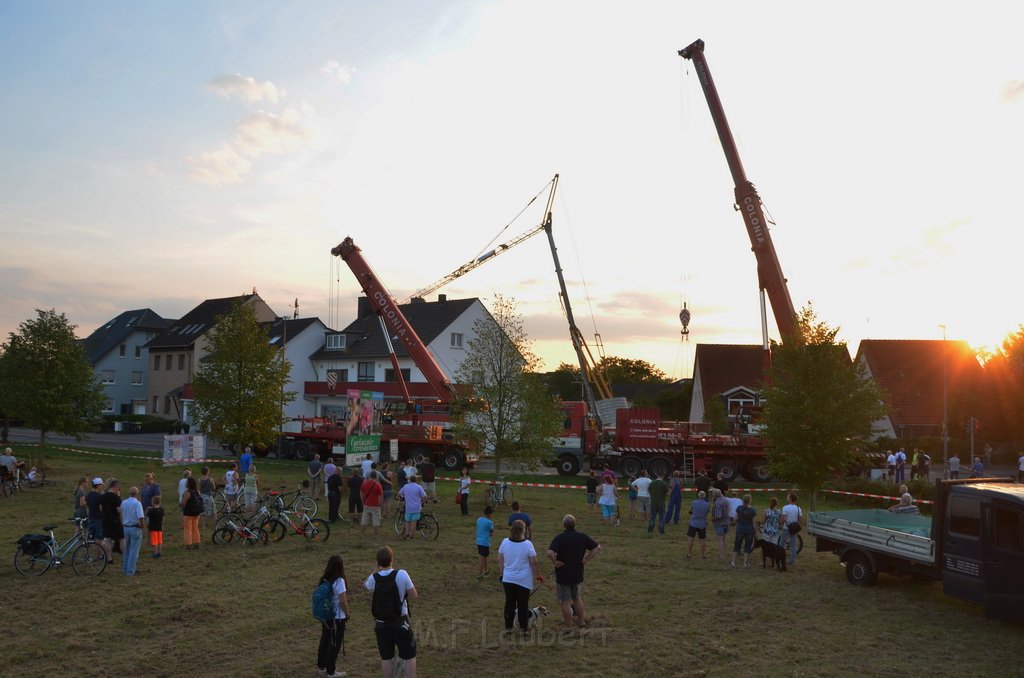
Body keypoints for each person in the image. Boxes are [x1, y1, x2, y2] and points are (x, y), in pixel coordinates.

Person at [365, 545, 419, 678]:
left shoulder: (375, 578)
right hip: (400, 622)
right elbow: (413, 594)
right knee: (409, 654)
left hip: (381, 624)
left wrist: (375, 570)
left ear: (378, 562)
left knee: (386, 657)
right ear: (391, 559)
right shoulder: (401, 574)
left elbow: (366, 586)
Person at [546, 514, 601, 629]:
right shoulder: (582, 537)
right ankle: (582, 623)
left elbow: (549, 553)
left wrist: (555, 562)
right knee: (577, 599)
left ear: (564, 525)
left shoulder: (560, 537)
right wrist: (586, 559)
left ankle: (569, 627)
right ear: (575, 524)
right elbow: (597, 548)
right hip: (577, 573)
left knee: (565, 601)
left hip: (563, 575)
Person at [499, 519, 541, 636]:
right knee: (523, 605)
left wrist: (502, 573)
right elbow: (533, 562)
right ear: (524, 531)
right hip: (523, 580)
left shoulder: (505, 542)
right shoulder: (528, 544)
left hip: (508, 579)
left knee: (509, 603)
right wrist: (537, 575)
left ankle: (508, 628)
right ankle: (524, 629)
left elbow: (500, 558)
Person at [316, 554, 350, 678]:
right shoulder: (339, 581)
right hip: (337, 618)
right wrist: (347, 613)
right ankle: (331, 672)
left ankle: (321, 668)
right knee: (334, 644)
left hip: (326, 616)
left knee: (324, 640)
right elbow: (343, 601)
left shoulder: (324, 579)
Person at [120, 486, 145, 576]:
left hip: (125, 527)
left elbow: (121, 512)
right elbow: (140, 516)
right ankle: (130, 570)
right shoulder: (137, 503)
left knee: (126, 549)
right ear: (137, 494)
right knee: (134, 551)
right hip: (135, 528)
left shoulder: (124, 502)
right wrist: (142, 525)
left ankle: (125, 568)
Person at [397, 474, 427, 541]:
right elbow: (424, 496)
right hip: (416, 507)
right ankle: (412, 536)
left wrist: (399, 498)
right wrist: (423, 502)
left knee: (407, 521)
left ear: (409, 480)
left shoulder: (406, 486)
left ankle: (406, 534)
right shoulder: (419, 487)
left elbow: (399, 494)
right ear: (416, 480)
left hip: (408, 507)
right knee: (414, 522)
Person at [100, 479, 124, 563]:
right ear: (115, 487)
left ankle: (109, 558)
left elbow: (101, 508)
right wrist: (119, 497)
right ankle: (125, 556)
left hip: (105, 520)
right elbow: (119, 510)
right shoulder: (116, 497)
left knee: (107, 539)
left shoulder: (103, 496)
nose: (119, 489)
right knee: (121, 538)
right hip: (115, 520)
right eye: (118, 487)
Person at [731, 494, 757, 568]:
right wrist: (755, 531)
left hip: (740, 529)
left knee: (737, 545)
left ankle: (733, 561)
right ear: (750, 501)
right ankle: (745, 563)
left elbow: (735, 518)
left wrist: (733, 522)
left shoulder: (739, 508)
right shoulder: (752, 510)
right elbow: (753, 522)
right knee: (747, 546)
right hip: (749, 530)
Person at [180, 476, 203, 550]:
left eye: (187, 482)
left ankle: (188, 544)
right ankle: (197, 542)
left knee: (188, 529)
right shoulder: (197, 491)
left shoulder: (187, 493)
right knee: (195, 528)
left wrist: (180, 504)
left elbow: (183, 503)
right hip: (196, 513)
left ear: (189, 484)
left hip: (188, 513)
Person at [781, 493, 803, 566]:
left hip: (786, 528)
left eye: (788, 496)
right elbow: (800, 519)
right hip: (794, 528)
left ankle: (780, 557)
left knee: (781, 543)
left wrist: (781, 522)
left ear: (790, 499)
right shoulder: (798, 508)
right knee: (793, 545)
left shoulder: (785, 507)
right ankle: (792, 560)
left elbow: (783, 518)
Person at [686, 490, 710, 559]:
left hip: (693, 523)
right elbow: (706, 513)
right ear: (704, 496)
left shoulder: (693, 502)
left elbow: (691, 511)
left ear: (698, 495)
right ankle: (703, 555)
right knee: (702, 540)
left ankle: (689, 554)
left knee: (691, 539)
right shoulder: (707, 504)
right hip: (702, 524)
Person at [361, 470, 384, 536]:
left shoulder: (364, 483)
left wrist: (363, 501)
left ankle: (362, 533)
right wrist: (380, 504)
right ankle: (376, 534)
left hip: (366, 504)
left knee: (364, 519)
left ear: (370, 476)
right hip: (375, 505)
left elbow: (361, 493)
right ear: (376, 477)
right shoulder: (378, 485)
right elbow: (381, 496)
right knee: (376, 520)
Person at [711, 488, 730, 562]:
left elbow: (718, 516)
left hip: (720, 524)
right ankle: (723, 554)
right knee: (723, 540)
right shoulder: (725, 500)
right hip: (726, 522)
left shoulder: (717, 503)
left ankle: (722, 556)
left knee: (720, 541)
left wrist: (713, 520)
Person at [475, 505, 495, 578]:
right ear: (490, 514)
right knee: (482, 558)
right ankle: (479, 573)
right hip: (485, 542)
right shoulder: (490, 522)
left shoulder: (479, 519)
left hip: (479, 541)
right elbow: (491, 533)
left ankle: (486, 570)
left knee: (484, 556)